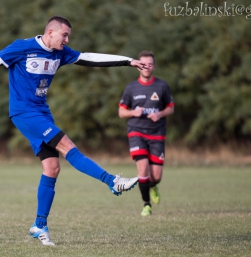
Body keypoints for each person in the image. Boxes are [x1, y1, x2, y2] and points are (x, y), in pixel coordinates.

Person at [0, 16, 149, 246]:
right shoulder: (22, 47)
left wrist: (128, 61)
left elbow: (89, 57)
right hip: (24, 113)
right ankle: (112, 181)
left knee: (52, 167)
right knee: (68, 146)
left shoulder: (61, 53)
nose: (67, 40)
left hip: (42, 113)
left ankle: (39, 225)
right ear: (50, 32)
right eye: (64, 35)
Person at [118, 50, 174, 216]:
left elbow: (171, 108)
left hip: (157, 133)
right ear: (138, 67)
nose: (147, 67)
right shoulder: (131, 87)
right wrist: (133, 113)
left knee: (155, 176)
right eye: (143, 64)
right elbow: (122, 112)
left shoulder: (162, 86)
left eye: (150, 64)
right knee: (143, 170)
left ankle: (153, 185)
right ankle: (146, 205)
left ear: (154, 66)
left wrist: (160, 114)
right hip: (136, 132)